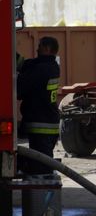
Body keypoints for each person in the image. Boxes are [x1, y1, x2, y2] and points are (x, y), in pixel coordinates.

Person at [17, 37, 60, 175]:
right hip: (47, 124)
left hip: (41, 126)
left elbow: (19, 89)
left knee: (41, 170)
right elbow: (28, 64)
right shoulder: (51, 66)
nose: (37, 48)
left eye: (40, 46)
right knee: (41, 163)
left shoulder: (42, 69)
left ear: (47, 49)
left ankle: (43, 195)